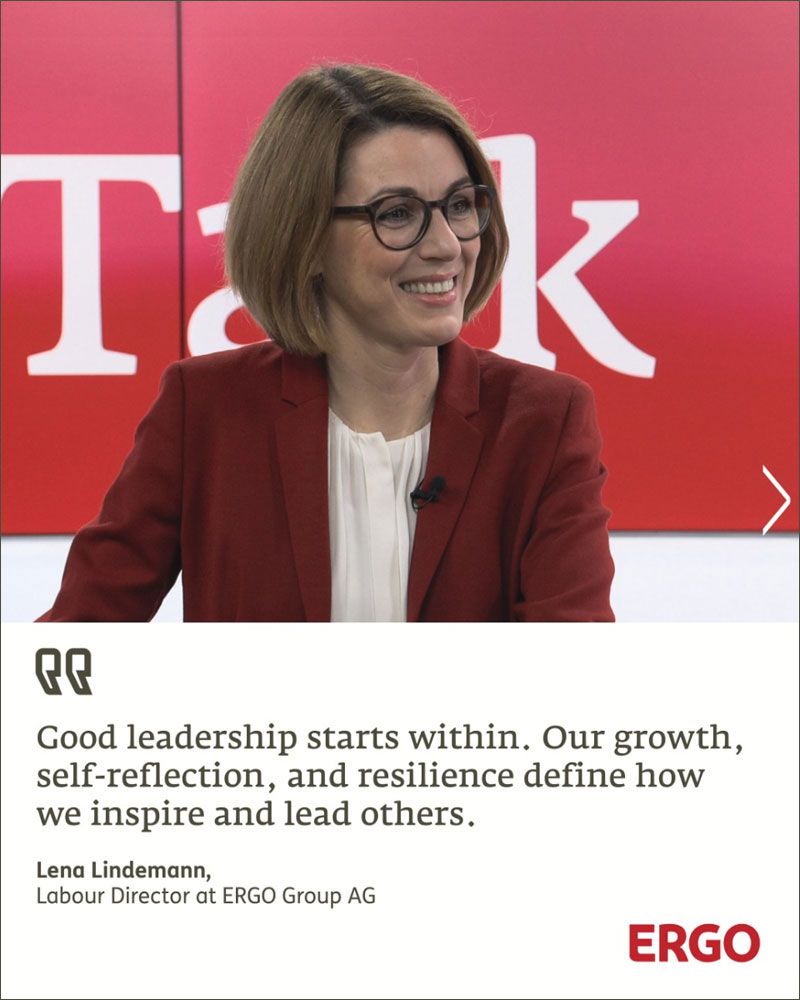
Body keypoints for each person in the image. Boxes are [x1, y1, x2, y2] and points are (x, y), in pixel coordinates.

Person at [39, 63, 614, 623]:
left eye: (460, 205)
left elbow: (576, 684)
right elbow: (72, 649)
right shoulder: (205, 410)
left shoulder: (544, 421)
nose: (445, 244)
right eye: (398, 213)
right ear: (305, 239)